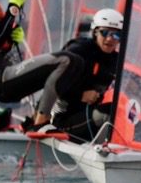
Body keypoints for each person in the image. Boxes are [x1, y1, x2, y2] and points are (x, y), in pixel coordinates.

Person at [44, 8, 124, 141]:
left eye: (116, 35)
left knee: (122, 111)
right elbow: (52, 82)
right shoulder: (79, 52)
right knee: (108, 113)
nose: (110, 39)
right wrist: (80, 95)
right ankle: (101, 148)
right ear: (95, 32)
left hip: (86, 118)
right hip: (62, 120)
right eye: (105, 33)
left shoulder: (115, 60)